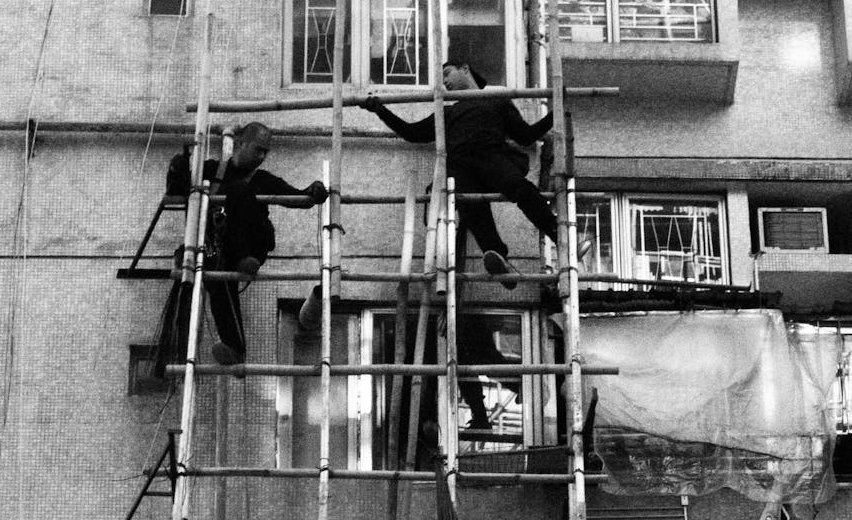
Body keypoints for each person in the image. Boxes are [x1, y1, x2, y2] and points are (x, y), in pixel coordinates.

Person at [362, 61, 560, 289]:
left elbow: (526, 136)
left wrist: (553, 116)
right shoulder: (449, 112)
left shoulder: (497, 101)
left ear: (465, 68)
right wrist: (381, 110)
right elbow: (412, 133)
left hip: (491, 157)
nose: (444, 82)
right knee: (471, 207)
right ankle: (497, 256)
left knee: (520, 188)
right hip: (461, 166)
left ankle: (555, 232)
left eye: (447, 74)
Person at [171, 123, 327, 367]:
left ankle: (244, 259)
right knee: (218, 283)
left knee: (240, 190)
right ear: (241, 144)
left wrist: (314, 191)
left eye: (266, 152)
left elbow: (298, 198)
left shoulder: (263, 180)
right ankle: (235, 347)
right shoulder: (212, 171)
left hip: (253, 246)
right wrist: (179, 166)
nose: (262, 157)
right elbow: (179, 191)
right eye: (258, 150)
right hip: (224, 249)